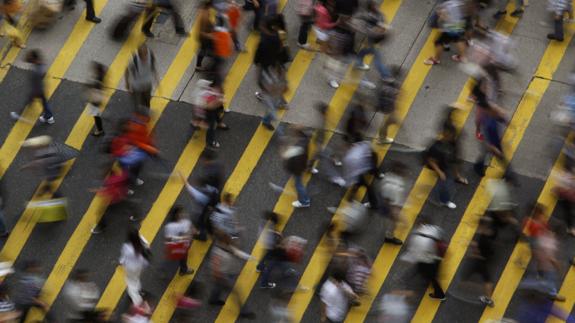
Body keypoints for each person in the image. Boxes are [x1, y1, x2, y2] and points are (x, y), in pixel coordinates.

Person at [208, 232, 256, 319]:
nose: (230, 239)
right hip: (224, 276)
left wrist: (250, 258)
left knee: (218, 287)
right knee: (236, 292)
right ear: (223, 240)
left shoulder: (227, 246)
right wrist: (219, 276)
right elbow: (215, 268)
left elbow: (237, 253)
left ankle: (213, 300)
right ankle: (244, 311)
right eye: (228, 238)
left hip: (229, 272)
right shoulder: (217, 252)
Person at [425, 124, 467, 209]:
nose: (451, 137)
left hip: (448, 166)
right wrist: (440, 172)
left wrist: (457, 175)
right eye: (449, 135)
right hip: (442, 169)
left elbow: (454, 157)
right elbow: (431, 161)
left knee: (445, 183)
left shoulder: (452, 143)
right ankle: (443, 200)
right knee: (445, 184)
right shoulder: (436, 147)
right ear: (444, 134)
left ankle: (440, 197)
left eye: (452, 135)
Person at [401, 223, 446, 301]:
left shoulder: (417, 237)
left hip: (428, 260)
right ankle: (423, 277)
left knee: (431, 276)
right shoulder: (433, 229)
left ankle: (440, 295)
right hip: (437, 257)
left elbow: (416, 252)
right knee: (426, 271)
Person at [460, 217, 495, 307]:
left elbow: (474, 247)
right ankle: (488, 299)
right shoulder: (486, 237)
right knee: (487, 280)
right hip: (483, 260)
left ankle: (477, 290)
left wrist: (471, 254)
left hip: (476, 260)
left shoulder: (478, 236)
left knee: (463, 280)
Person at [11, 50, 54, 124]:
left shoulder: (36, 71)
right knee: (43, 102)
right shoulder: (41, 65)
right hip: (41, 88)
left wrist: (35, 92)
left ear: (35, 59)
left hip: (37, 90)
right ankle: (49, 117)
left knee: (30, 100)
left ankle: (19, 114)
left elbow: (36, 81)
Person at [354, 1, 392, 81]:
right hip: (372, 39)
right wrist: (377, 30)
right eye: (374, 6)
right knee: (375, 55)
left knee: (370, 52)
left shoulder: (378, 14)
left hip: (376, 40)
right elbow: (364, 28)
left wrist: (382, 30)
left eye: (375, 6)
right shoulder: (367, 16)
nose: (376, 7)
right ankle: (385, 75)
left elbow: (383, 24)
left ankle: (359, 61)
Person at [424, 0, 467, 65]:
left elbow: (443, 16)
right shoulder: (459, 2)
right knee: (458, 38)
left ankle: (436, 60)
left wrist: (442, 25)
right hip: (460, 23)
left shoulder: (448, 4)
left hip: (451, 26)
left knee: (438, 42)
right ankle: (463, 57)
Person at [119, 229, 151, 306]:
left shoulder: (127, 247)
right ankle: (139, 289)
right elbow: (147, 246)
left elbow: (123, 258)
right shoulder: (141, 241)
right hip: (140, 266)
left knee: (130, 283)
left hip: (130, 268)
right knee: (136, 278)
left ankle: (138, 302)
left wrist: (120, 263)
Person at [378, 161, 407, 245]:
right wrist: (395, 214)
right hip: (390, 207)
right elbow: (390, 202)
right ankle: (389, 237)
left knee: (393, 222)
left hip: (387, 204)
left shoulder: (387, 176)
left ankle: (389, 234)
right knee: (394, 223)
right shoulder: (396, 186)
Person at [282, 127, 311, 208]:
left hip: (297, 169)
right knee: (298, 183)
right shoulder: (305, 140)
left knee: (298, 185)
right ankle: (305, 200)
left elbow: (285, 155)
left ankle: (304, 201)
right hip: (302, 164)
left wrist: (284, 146)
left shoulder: (297, 147)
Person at [125, 45, 159, 114]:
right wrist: (127, 84)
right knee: (137, 102)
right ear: (139, 56)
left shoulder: (151, 55)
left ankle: (146, 113)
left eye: (146, 55)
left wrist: (156, 79)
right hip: (136, 86)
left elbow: (153, 67)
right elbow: (126, 71)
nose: (145, 58)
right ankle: (138, 113)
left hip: (147, 85)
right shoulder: (133, 60)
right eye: (143, 57)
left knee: (147, 100)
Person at [164, 206, 195, 275]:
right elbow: (169, 238)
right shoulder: (171, 227)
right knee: (183, 257)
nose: (183, 214)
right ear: (176, 215)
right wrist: (182, 238)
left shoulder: (184, 221)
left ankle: (182, 268)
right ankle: (183, 270)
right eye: (181, 213)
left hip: (184, 244)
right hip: (179, 246)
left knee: (183, 256)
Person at [86, 62, 106, 136]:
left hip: (95, 100)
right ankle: (100, 129)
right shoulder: (101, 76)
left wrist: (89, 86)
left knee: (96, 115)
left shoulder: (98, 79)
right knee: (96, 114)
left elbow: (94, 88)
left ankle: (100, 130)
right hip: (98, 98)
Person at [196, 1, 215, 72]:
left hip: (204, 37)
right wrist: (211, 36)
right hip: (205, 38)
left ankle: (198, 65)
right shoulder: (204, 16)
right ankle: (199, 66)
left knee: (203, 49)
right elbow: (202, 32)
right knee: (204, 50)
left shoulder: (204, 11)